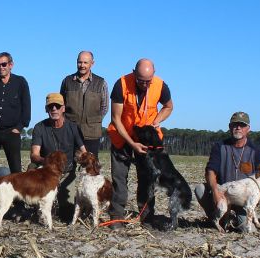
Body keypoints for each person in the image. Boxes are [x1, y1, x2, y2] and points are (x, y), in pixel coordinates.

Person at [106, 58, 174, 229]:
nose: (145, 84)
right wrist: (132, 143)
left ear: (154, 74)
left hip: (146, 140)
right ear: (134, 72)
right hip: (122, 137)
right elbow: (116, 119)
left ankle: (147, 218)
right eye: (141, 81)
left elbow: (168, 106)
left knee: (147, 179)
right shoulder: (121, 84)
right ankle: (116, 217)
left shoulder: (160, 85)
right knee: (119, 179)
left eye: (148, 81)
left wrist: (157, 121)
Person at [193, 112, 260, 231]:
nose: (238, 128)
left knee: (248, 230)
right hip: (224, 194)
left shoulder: (256, 151)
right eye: (235, 124)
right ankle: (216, 218)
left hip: (243, 199)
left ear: (248, 129)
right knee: (200, 189)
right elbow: (210, 171)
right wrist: (215, 191)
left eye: (242, 125)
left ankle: (237, 219)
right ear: (230, 127)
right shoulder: (220, 147)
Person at [29, 93, 87, 223]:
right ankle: (36, 206)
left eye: (57, 106)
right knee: (31, 168)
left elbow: (84, 152)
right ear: (46, 110)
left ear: (63, 108)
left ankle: (61, 206)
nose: (54, 109)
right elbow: (34, 154)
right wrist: (47, 161)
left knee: (67, 214)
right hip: (47, 170)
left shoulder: (73, 127)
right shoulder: (39, 127)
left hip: (66, 172)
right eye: (51, 107)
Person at [60, 51, 109, 156]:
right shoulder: (67, 81)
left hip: (92, 133)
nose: (82, 65)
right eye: (79, 62)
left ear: (92, 63)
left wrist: (94, 121)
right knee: (68, 165)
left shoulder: (101, 83)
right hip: (70, 132)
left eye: (85, 63)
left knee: (91, 167)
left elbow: (104, 107)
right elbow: (61, 105)